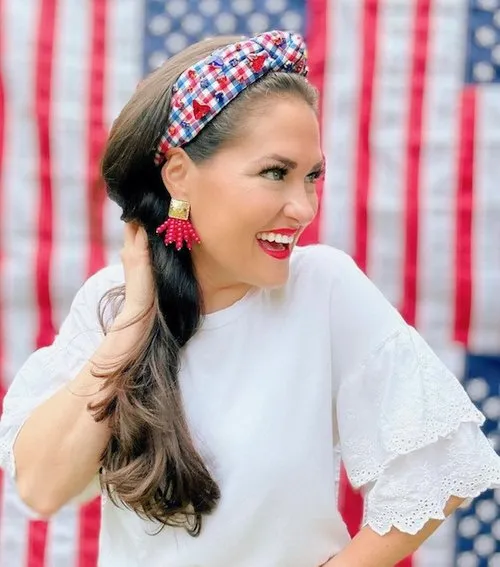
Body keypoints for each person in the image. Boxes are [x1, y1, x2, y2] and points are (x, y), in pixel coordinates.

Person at [0, 30, 499, 567]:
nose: (304, 208)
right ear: (179, 177)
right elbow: (42, 487)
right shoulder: (111, 302)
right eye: (275, 173)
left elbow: (444, 462)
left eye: (311, 177)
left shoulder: (324, 290)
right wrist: (134, 319)